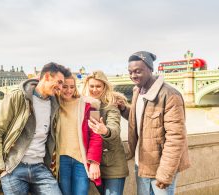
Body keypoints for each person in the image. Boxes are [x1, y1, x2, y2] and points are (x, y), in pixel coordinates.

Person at [0, 62, 71, 195]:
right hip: (13, 167)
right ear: (47, 76)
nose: (61, 88)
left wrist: (111, 100)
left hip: (41, 168)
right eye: (59, 82)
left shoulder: (55, 102)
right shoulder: (18, 97)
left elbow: (78, 100)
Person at [118, 51, 191, 195]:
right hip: (142, 164)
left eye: (138, 71)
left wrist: (166, 173)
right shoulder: (137, 92)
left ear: (151, 69)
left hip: (161, 167)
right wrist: (124, 109)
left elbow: (176, 138)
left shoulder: (170, 95)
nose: (133, 76)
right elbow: (142, 119)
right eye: (130, 72)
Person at [55, 75, 103, 195]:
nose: (69, 90)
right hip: (61, 160)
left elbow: (96, 135)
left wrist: (94, 162)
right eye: (65, 86)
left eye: (72, 87)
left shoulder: (91, 105)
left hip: (81, 161)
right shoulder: (53, 105)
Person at [85, 71, 129, 195]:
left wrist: (105, 130)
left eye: (98, 86)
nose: (94, 89)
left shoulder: (111, 106)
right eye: (91, 86)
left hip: (113, 165)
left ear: (105, 87)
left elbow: (115, 130)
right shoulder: (84, 105)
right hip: (92, 163)